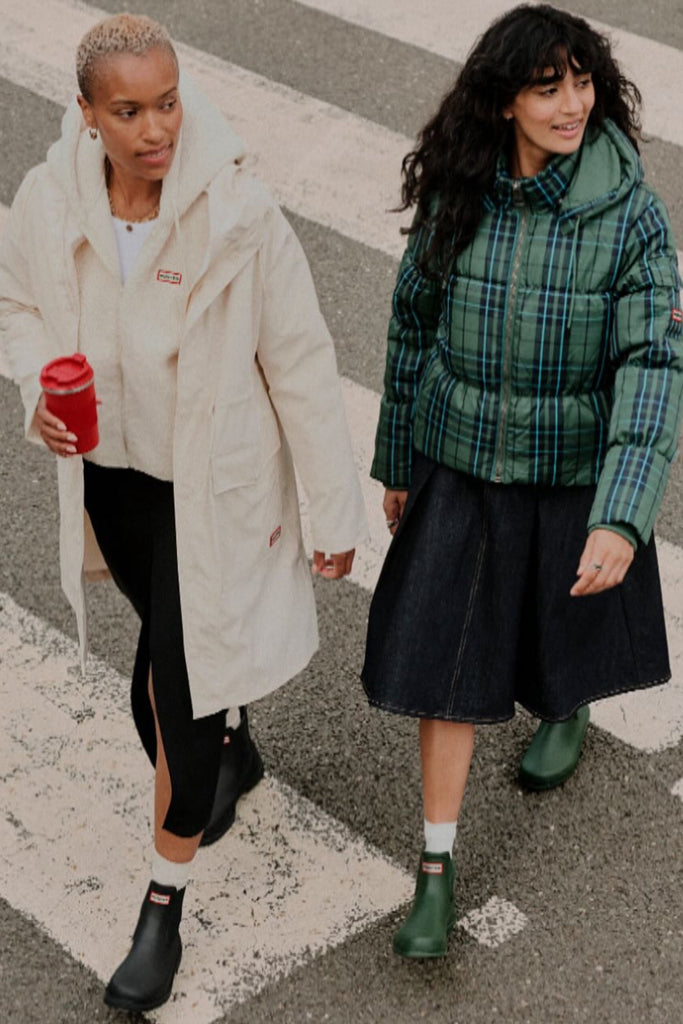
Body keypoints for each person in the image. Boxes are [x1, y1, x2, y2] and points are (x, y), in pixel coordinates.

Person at [0, 13, 367, 1011]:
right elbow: (18, 304)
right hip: (112, 478)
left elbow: (299, 359)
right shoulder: (50, 198)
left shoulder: (238, 213)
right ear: (86, 113)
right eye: (128, 111)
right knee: (162, 685)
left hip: (213, 489)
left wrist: (333, 510)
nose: (156, 127)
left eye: (166, 102)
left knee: (175, 692)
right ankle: (232, 751)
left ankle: (161, 906)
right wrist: (39, 386)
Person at [362, 3, 682, 959]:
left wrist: (620, 517)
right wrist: (397, 461)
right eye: (547, 88)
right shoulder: (458, 188)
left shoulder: (630, 215)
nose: (571, 104)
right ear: (503, 101)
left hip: (567, 466)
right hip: (460, 458)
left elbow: (653, 366)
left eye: (581, 82)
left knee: (557, 625)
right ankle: (434, 865)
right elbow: (411, 323)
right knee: (445, 664)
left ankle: (565, 703)